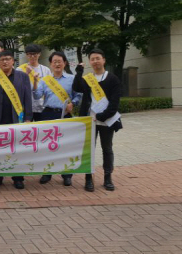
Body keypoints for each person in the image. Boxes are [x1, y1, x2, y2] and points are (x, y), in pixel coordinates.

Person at [0, 49, 33, 189]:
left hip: (16, 118)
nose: (5, 62)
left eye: (8, 59)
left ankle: (18, 178)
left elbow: (28, 98)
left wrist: (28, 117)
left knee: (17, 149)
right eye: (2, 59)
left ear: (13, 61)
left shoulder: (22, 76)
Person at [73, 48, 123, 192]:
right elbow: (77, 87)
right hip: (90, 121)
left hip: (106, 121)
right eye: (92, 59)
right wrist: (78, 72)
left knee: (107, 149)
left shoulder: (112, 79)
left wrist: (101, 116)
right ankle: (89, 179)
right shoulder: (88, 79)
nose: (95, 61)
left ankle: (108, 178)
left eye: (98, 58)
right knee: (89, 150)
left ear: (104, 60)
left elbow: (114, 103)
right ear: (90, 62)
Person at [32, 51, 81, 186]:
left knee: (66, 146)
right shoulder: (45, 80)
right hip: (48, 114)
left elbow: (78, 95)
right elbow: (37, 96)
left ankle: (67, 175)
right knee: (47, 146)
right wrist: (35, 82)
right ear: (50, 64)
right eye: (55, 62)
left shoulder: (72, 79)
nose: (57, 64)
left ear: (65, 63)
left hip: (65, 114)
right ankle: (47, 173)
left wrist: (73, 103)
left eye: (60, 61)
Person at [18, 44, 51, 121]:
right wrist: (26, 74)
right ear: (26, 55)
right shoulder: (20, 69)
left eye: (35, 54)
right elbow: (18, 87)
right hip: (26, 107)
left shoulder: (46, 70)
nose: (32, 56)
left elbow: (49, 88)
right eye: (30, 54)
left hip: (42, 106)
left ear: (39, 54)